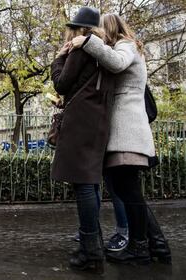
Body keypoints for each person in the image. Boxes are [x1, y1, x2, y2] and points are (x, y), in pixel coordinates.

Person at [71, 13, 171, 265]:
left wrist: (86, 43)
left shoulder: (126, 46)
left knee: (128, 191)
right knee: (127, 190)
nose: (98, 36)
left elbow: (116, 64)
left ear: (110, 28)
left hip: (127, 132)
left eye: (100, 31)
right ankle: (156, 245)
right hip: (122, 133)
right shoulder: (124, 47)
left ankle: (141, 249)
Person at [50, 7, 115, 273]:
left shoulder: (81, 50)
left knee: (84, 184)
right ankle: (92, 246)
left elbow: (61, 83)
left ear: (79, 30)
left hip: (80, 123)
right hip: (98, 120)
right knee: (90, 183)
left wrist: (59, 58)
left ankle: (91, 252)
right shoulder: (105, 51)